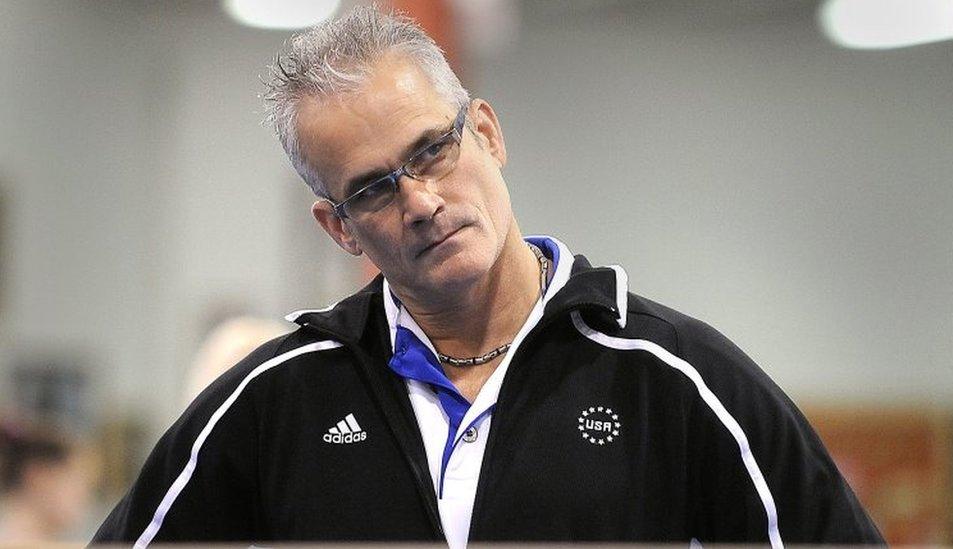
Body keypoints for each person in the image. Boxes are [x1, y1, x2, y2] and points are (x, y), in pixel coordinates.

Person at [93, 6, 883, 547]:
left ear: (487, 132)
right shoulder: (273, 403)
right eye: (373, 188)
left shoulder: (674, 380)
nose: (424, 201)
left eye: (432, 150)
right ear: (340, 228)